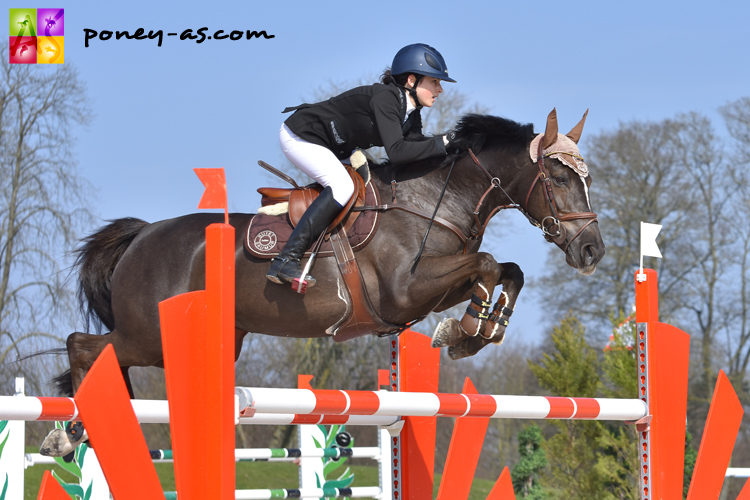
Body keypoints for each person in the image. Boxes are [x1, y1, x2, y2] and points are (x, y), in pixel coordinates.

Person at [267, 43, 457, 288]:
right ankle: (286, 258)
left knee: (368, 185)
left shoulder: (411, 112)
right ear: (412, 80)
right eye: (435, 82)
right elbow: (398, 152)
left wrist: (453, 146)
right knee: (342, 187)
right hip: (302, 136)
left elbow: (417, 149)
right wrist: (444, 141)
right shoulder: (387, 98)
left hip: (336, 146)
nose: (440, 90)